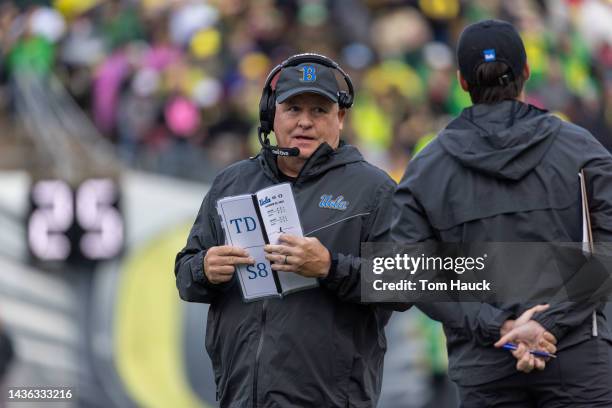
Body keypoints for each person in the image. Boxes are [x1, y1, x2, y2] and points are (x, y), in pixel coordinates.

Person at [392, 19, 612, 407]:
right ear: (526, 71)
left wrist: (501, 326)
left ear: (462, 81)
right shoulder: (579, 147)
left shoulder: (428, 166)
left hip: (485, 365)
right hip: (577, 360)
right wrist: (548, 323)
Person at [175, 53, 397, 407]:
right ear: (271, 115)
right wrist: (204, 268)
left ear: (340, 118)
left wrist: (329, 267)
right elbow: (185, 275)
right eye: (293, 109)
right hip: (240, 396)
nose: (305, 122)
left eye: (319, 111)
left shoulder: (374, 190)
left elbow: (405, 284)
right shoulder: (231, 183)